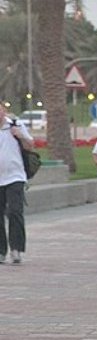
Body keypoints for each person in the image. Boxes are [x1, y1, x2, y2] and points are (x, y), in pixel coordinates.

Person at [0, 106, 34, 265]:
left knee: (15, 211)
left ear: (4, 112)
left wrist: (20, 135)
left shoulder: (15, 125)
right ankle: (1, 251)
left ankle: (16, 249)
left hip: (15, 176)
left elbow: (30, 145)